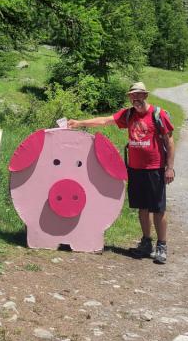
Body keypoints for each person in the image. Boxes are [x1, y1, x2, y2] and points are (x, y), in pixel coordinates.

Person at [67, 82, 175, 263]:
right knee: (142, 208)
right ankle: (146, 243)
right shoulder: (128, 114)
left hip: (155, 168)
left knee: (158, 209)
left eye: (139, 94)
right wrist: (79, 123)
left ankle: (162, 246)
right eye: (133, 95)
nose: (136, 98)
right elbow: (105, 120)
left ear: (145, 96)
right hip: (135, 169)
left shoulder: (158, 114)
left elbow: (169, 141)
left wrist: (169, 168)